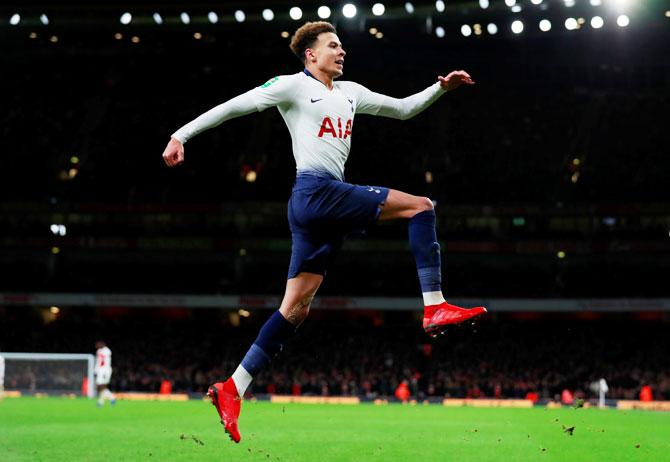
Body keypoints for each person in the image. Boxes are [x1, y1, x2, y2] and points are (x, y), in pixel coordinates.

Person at [162, 21, 486, 443]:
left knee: (295, 308)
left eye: (341, 46)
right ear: (310, 54)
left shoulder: (351, 92)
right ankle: (434, 304)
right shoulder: (291, 86)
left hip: (320, 208)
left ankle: (233, 386)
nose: (341, 51)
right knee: (421, 207)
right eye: (332, 46)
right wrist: (180, 135)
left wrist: (440, 88)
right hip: (316, 192)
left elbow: (404, 109)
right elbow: (234, 106)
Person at [94, 341, 116, 406]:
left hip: (105, 370)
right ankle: (111, 397)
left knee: (101, 386)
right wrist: (96, 371)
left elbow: (104, 360)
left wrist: (104, 371)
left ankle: (101, 401)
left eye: (97, 344)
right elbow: (98, 362)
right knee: (100, 386)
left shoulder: (107, 350)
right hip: (100, 370)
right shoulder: (98, 351)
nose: (96, 346)